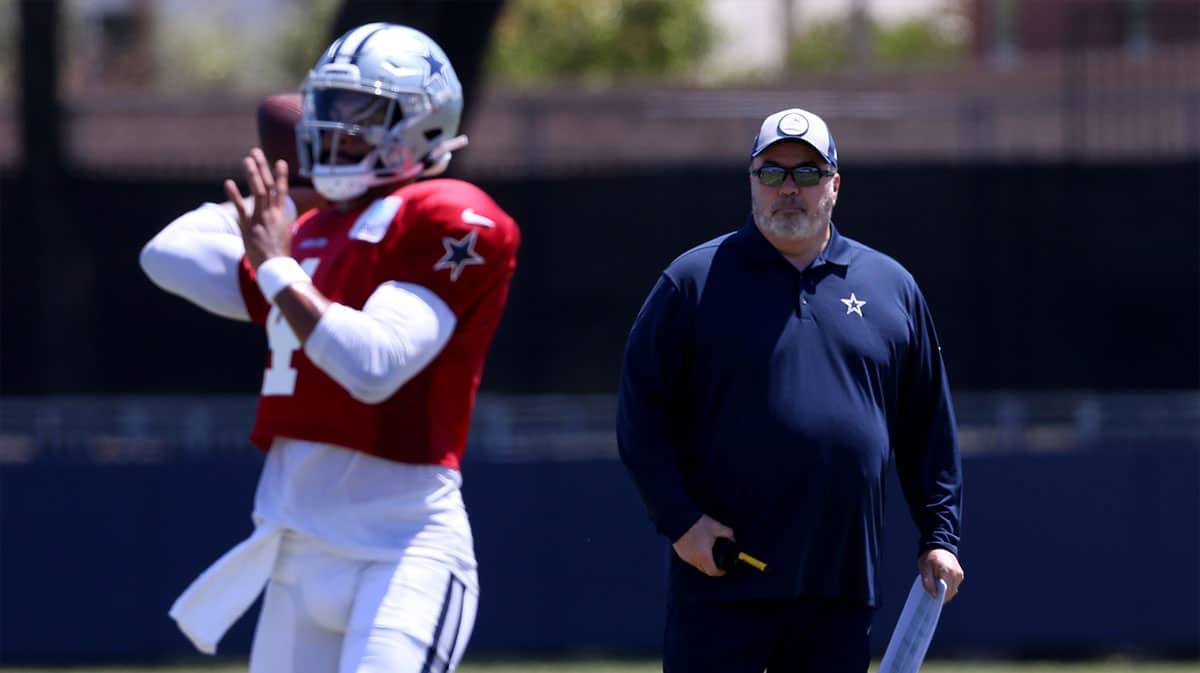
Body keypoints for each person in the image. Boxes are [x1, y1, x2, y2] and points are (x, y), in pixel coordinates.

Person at [139, 23, 519, 673]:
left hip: (401, 550)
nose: (336, 127)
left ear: (424, 124)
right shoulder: (312, 234)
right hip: (297, 551)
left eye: (361, 111)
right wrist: (291, 212)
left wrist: (280, 266)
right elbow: (165, 251)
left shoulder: (446, 212)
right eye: (330, 107)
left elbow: (373, 366)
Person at [616, 108, 963, 673]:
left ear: (835, 185)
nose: (788, 189)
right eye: (771, 172)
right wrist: (680, 522)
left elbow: (928, 428)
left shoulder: (891, 286)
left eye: (807, 173)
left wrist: (940, 537)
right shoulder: (694, 281)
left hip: (840, 588)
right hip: (724, 579)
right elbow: (640, 415)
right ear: (751, 182)